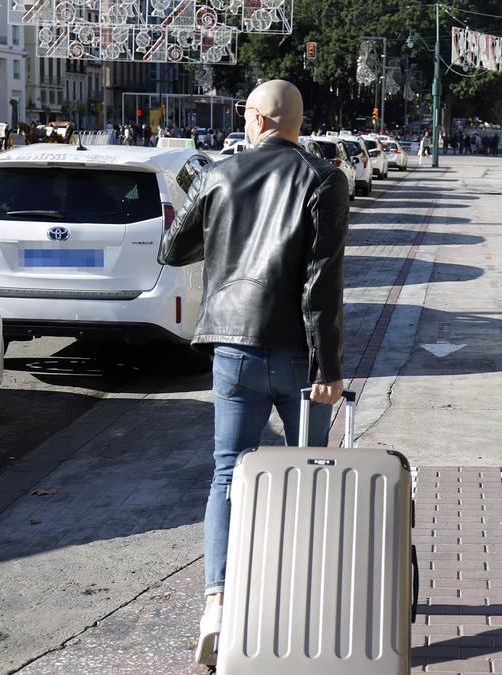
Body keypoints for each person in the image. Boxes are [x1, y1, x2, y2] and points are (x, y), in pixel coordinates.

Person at [158, 79, 348, 667]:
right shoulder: (324, 178)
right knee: (309, 473)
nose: (243, 123)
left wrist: (220, 216)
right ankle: (298, 603)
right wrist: (329, 367)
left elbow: (172, 248)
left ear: (261, 118)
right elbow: (322, 284)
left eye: (245, 114)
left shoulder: (220, 173)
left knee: (226, 475)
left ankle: (218, 601)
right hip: (297, 355)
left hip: (232, 350)